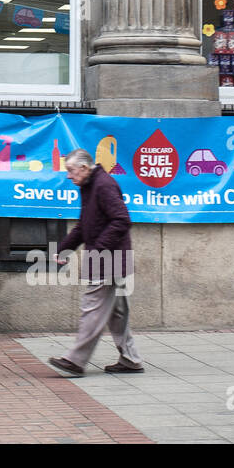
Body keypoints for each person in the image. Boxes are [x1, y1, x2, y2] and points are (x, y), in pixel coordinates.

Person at [47, 148, 145, 377]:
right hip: (109, 258)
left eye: (70, 171)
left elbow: (122, 220)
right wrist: (64, 249)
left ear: (83, 168)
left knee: (92, 307)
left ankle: (75, 360)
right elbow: (83, 226)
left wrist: (99, 248)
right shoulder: (89, 186)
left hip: (107, 260)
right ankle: (131, 359)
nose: (68, 176)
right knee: (117, 312)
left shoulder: (104, 185)